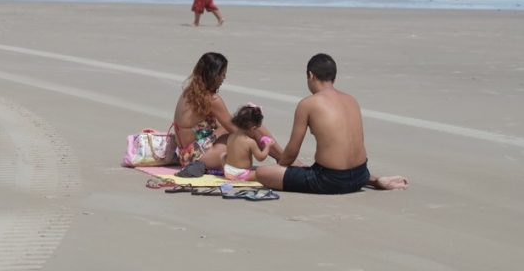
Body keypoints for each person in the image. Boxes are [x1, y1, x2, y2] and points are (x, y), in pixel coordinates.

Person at [255, 53, 409, 194]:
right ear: (333, 78)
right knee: (307, 167)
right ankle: (375, 180)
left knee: (263, 173)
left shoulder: (308, 104)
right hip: (361, 174)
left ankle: (370, 180)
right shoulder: (351, 100)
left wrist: (280, 167)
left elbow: (291, 151)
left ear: (310, 75)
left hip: (329, 181)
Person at [172, 52, 282, 169]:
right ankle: (283, 158)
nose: (224, 77)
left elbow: (221, 125)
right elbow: (235, 129)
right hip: (198, 157)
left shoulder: (189, 93)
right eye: (222, 74)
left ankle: (282, 157)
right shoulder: (212, 99)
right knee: (252, 127)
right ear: (214, 75)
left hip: (185, 155)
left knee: (238, 128)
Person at [222, 104, 274, 181]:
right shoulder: (250, 142)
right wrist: (268, 146)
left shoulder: (231, 136)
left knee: (223, 155)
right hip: (242, 173)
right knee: (261, 173)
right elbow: (260, 157)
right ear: (253, 128)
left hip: (228, 170)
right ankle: (239, 177)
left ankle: (230, 174)